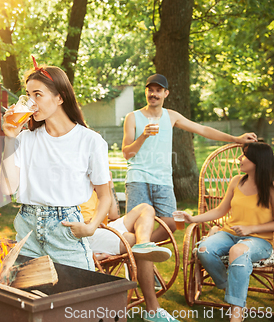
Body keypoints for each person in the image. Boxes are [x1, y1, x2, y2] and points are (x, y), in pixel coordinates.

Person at [0, 59, 111, 271]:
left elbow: (105, 196)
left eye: (37, 95)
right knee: (29, 299)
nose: (30, 103)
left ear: (60, 97)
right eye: (28, 95)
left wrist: (91, 227)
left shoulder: (90, 141)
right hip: (27, 232)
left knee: (76, 299)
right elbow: (7, 188)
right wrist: (9, 139)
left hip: (65, 232)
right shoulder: (24, 139)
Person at [122, 74, 257, 242]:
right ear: (145, 92)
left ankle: (139, 248)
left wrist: (236, 138)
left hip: (163, 180)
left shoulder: (171, 116)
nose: (154, 94)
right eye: (150, 90)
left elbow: (203, 129)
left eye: (158, 90)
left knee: (170, 225)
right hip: (138, 178)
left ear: (166, 93)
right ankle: (139, 253)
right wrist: (143, 136)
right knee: (136, 224)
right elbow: (127, 153)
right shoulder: (133, 117)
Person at [180, 142, 274, 322]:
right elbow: (220, 211)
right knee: (204, 249)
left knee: (237, 251)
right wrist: (193, 219)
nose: (239, 158)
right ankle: (232, 290)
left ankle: (236, 313)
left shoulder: (271, 188)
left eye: (244, 155)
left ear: (257, 161)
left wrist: (251, 229)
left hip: (260, 240)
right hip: (230, 233)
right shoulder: (236, 181)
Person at [81, 186, 180, 322]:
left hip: (104, 228)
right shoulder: (74, 178)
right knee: (133, 240)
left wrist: (108, 186)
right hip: (87, 233)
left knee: (145, 208)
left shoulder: (97, 183)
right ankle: (153, 309)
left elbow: (114, 215)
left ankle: (144, 244)